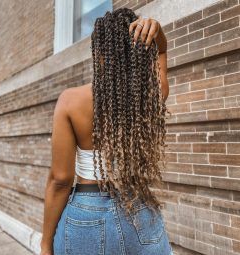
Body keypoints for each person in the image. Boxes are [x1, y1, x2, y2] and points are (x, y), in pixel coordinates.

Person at [40, 7, 173, 255]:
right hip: (140, 213)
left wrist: (46, 243)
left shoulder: (70, 101)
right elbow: (162, 55)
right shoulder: (150, 95)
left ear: (99, 52)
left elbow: (60, 180)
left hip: (86, 215)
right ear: (138, 50)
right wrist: (160, 38)